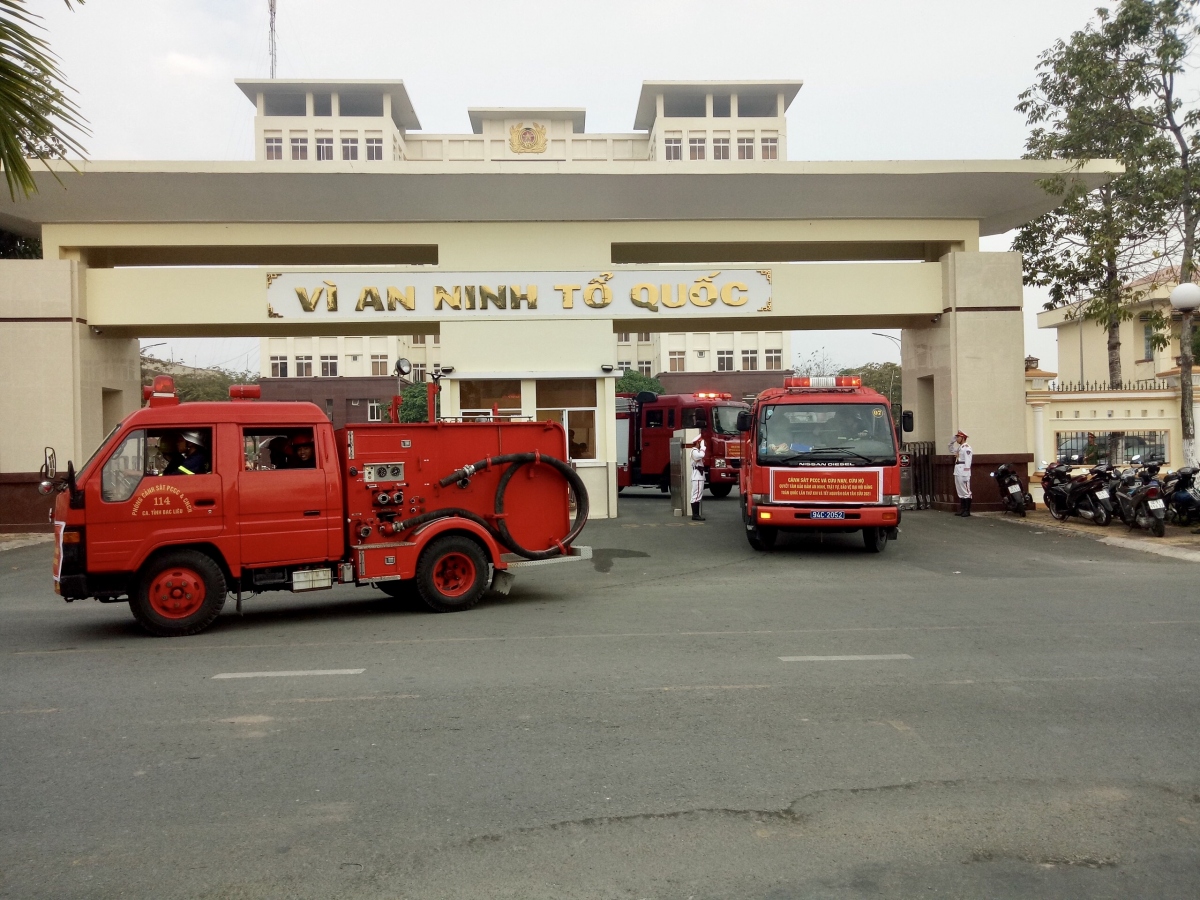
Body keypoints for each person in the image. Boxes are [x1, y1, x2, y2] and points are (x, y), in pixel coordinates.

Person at [948, 429, 973, 516]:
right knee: (960, 491)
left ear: (963, 438)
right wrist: (952, 441)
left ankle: (967, 510)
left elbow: (968, 461)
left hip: (963, 471)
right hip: (958, 470)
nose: (957, 438)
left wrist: (966, 474)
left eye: (958, 437)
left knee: (966, 491)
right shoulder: (960, 448)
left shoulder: (966, 448)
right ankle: (962, 509)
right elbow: (951, 449)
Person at [689, 436, 706, 521]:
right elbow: (702, 455)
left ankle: (695, 514)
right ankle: (695, 515)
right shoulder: (695, 451)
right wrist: (703, 447)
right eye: (700, 443)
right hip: (697, 477)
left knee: (696, 495)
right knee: (696, 496)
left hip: (698, 476)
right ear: (697, 443)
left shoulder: (695, 451)